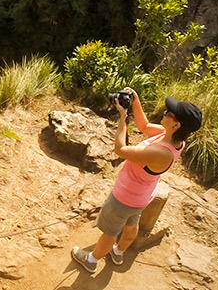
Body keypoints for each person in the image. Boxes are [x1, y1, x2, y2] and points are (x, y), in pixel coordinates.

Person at [70, 88, 202, 274]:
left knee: (110, 233)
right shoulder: (174, 139)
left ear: (177, 125)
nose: (165, 113)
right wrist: (135, 102)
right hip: (141, 196)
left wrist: (123, 117)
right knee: (131, 225)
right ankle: (118, 252)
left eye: (169, 113)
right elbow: (144, 126)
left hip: (124, 197)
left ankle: (91, 260)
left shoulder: (160, 152)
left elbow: (120, 150)